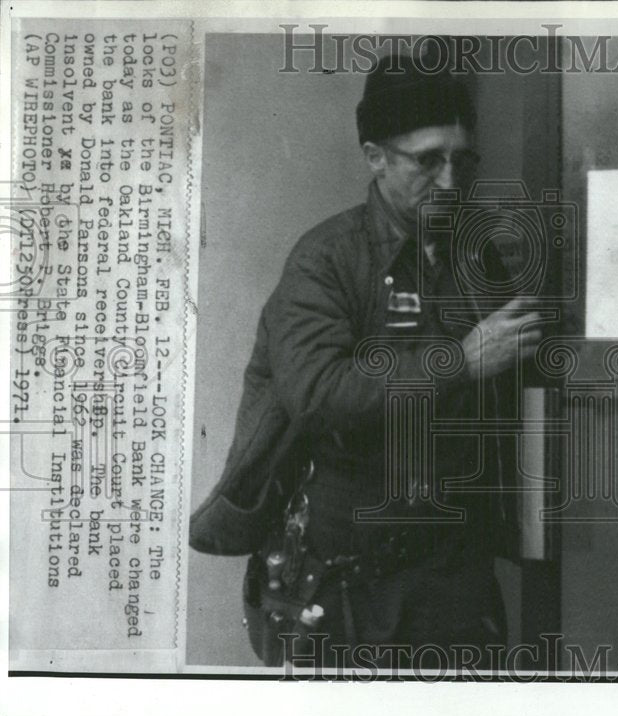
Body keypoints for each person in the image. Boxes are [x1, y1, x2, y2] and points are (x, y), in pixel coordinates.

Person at [191, 51, 542, 671]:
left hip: (453, 579)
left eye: (462, 159)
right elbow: (319, 395)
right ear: (375, 156)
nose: (451, 182)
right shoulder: (324, 260)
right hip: (345, 584)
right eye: (428, 160)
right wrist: (457, 361)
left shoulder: (476, 255)